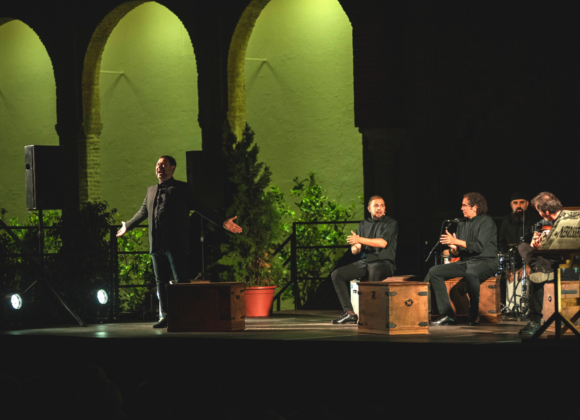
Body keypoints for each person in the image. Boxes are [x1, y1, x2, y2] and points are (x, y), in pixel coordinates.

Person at [116, 156, 242, 328]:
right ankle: (166, 316)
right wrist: (128, 226)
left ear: (172, 168)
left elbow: (200, 207)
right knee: (160, 280)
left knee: (181, 280)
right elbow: (142, 212)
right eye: (158, 164)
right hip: (156, 243)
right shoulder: (151, 190)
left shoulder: (182, 188)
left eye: (164, 165)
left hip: (175, 243)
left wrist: (222, 222)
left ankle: (185, 315)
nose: (159, 167)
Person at [429, 192, 498, 326]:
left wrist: (457, 241)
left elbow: (478, 246)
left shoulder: (486, 221)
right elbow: (457, 251)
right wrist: (454, 247)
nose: (462, 208)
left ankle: (473, 314)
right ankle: (447, 315)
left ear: (475, 207)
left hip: (486, 261)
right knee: (434, 271)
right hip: (467, 262)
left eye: (464, 205)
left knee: (471, 273)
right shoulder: (461, 223)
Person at [330, 195, 397, 324]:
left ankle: (373, 313)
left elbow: (382, 243)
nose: (379, 208)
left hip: (384, 263)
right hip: (365, 262)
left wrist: (359, 240)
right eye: (376, 206)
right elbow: (355, 250)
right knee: (337, 274)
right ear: (369, 208)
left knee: (374, 271)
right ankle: (349, 313)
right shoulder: (363, 224)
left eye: (382, 206)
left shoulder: (391, 223)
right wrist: (355, 245)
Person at [517, 192, 563, 336]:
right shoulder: (541, 224)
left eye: (538, 210)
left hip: (565, 260)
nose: (538, 213)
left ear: (546, 211)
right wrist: (536, 244)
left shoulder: (570, 219)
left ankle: (535, 320)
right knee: (522, 247)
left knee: (537, 274)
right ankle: (535, 321)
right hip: (545, 263)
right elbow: (533, 245)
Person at [498, 191, 540, 281]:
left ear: (527, 203)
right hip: (512, 262)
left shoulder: (535, 220)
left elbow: (539, 245)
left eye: (522, 202)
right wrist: (509, 267)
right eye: (515, 203)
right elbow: (502, 243)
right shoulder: (506, 221)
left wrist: (528, 264)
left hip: (531, 261)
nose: (518, 206)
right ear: (511, 205)